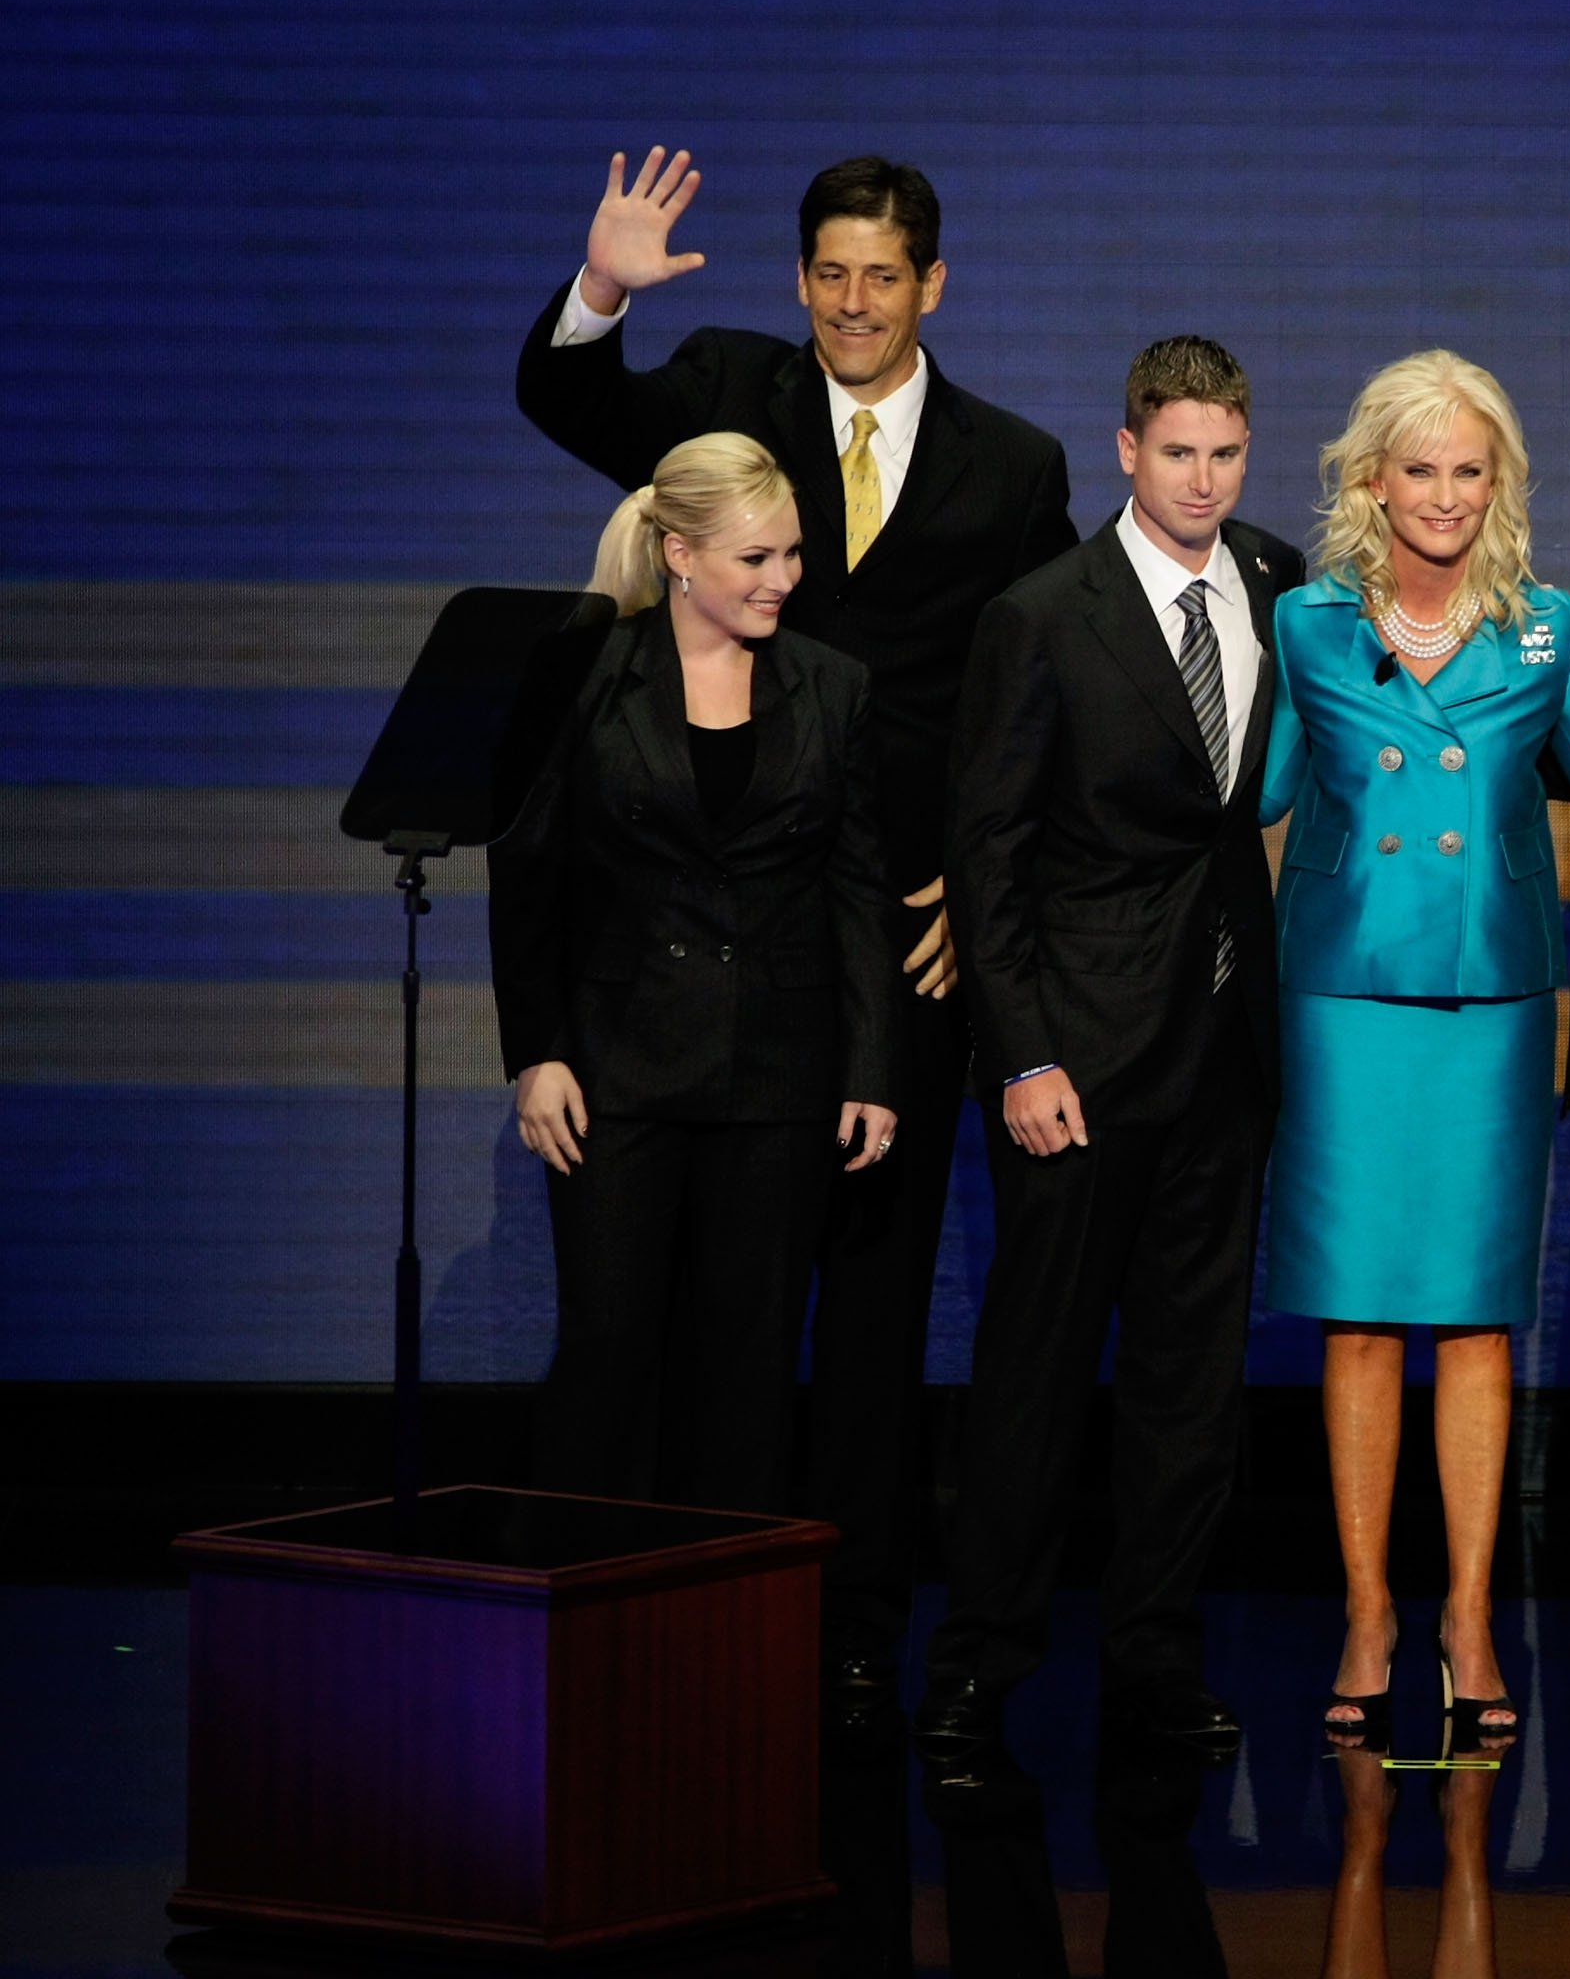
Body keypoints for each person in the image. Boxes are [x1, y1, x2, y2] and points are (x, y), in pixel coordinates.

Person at [516, 148, 1078, 1706]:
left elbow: (1036, 699)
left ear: (934, 287)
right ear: (800, 280)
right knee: (703, 1306)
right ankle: (669, 1605)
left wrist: (979, 881)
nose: (851, 303)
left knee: (881, 1297)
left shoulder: (1012, 465)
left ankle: (848, 1623)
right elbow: (572, 406)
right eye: (829, 272)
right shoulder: (725, 388)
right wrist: (606, 289)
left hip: (901, 930)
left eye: (882, 276)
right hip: (705, 935)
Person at [915, 337, 1304, 1761]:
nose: (1203, 480)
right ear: (1128, 452)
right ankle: (980, 1661)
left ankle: (1154, 1662)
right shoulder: (1044, 615)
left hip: (1224, 1056)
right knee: (1033, 1375)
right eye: (1179, 453)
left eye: (1226, 454)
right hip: (1074, 1061)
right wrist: (1020, 1058)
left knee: (1191, 1388)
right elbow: (988, 852)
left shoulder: (1273, 581)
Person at [1259, 352, 1570, 1743]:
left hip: (1489, 1007)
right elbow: (1253, 792)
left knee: (1472, 1316)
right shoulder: (1306, 624)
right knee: (1358, 1314)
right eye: (1420, 468)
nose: (1444, 496)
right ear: (1369, 478)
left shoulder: (1553, 630)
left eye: (1471, 469)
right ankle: (1366, 1609)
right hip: (1344, 1001)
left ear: (1497, 482)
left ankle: (1465, 1611)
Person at [489, 431, 902, 1513]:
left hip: (779, 1077)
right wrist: (535, 1053)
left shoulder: (834, 687)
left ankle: (722, 1645)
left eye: (792, 556)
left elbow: (858, 886)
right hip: (617, 1072)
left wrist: (869, 1066)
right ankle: (581, 1618)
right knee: (608, 1348)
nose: (782, 581)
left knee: (750, 1365)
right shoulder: (581, 675)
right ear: (678, 553)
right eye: (754, 559)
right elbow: (526, 878)